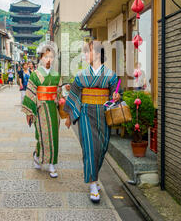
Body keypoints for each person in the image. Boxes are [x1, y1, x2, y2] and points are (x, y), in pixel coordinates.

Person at [64, 41, 120, 203]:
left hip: (103, 114)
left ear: (96, 54)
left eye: (87, 52)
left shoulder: (111, 75)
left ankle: (94, 175)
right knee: (90, 148)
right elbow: (74, 95)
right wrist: (69, 116)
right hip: (86, 114)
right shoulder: (81, 76)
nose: (85, 55)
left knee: (102, 147)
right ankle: (93, 184)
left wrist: (116, 96)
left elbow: (116, 94)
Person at [21, 45, 61, 178]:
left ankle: (51, 163)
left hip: (53, 109)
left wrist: (62, 97)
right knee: (42, 135)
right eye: (46, 57)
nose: (48, 60)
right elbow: (31, 93)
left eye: (51, 57)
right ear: (41, 58)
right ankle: (39, 157)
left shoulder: (56, 75)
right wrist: (29, 113)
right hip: (41, 108)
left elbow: (59, 92)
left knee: (53, 136)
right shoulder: (35, 74)